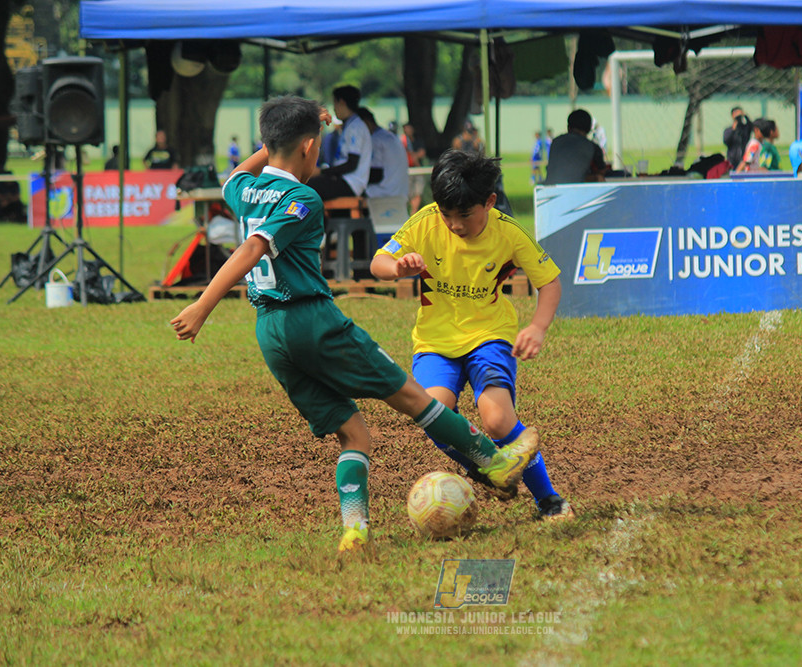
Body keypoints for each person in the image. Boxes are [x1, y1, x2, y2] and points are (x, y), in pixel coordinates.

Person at [170, 96, 540, 555]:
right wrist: (202, 306)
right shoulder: (303, 198)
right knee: (411, 396)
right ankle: (496, 463)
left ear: (269, 144)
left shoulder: (242, 191)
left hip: (270, 333)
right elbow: (251, 250)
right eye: (318, 143)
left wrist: (282, 139)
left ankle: (355, 531)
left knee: (354, 434)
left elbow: (237, 176)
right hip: (313, 321)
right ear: (309, 146)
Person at [370, 149, 572, 520]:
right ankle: (489, 470)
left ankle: (549, 500)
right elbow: (377, 263)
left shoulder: (508, 232)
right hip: (434, 343)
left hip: (489, 336)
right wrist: (398, 267)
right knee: (434, 413)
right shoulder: (426, 221)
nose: (454, 224)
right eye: (446, 214)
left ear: (489, 201)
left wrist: (537, 327)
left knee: (496, 421)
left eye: (464, 215)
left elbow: (551, 283)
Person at [306, 85, 371, 201]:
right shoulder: (349, 126)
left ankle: (318, 219)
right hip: (343, 180)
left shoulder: (356, 127)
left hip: (351, 183)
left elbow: (352, 164)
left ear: (341, 102)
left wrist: (322, 172)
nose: (334, 109)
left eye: (334, 103)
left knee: (307, 188)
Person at [357, 107, 410, 243]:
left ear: (366, 123)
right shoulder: (389, 136)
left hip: (382, 196)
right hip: (398, 194)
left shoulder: (375, 140)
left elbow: (375, 174)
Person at [543, 109, 607, 185]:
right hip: (575, 192)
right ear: (589, 128)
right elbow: (602, 171)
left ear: (568, 126)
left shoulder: (555, 142)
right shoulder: (592, 147)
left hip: (548, 191)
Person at [401, 121, 427, 214]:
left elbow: (422, 152)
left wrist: (415, 156)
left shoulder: (418, 140)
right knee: (408, 193)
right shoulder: (402, 141)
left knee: (417, 192)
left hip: (418, 169)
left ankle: (414, 213)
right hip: (408, 170)